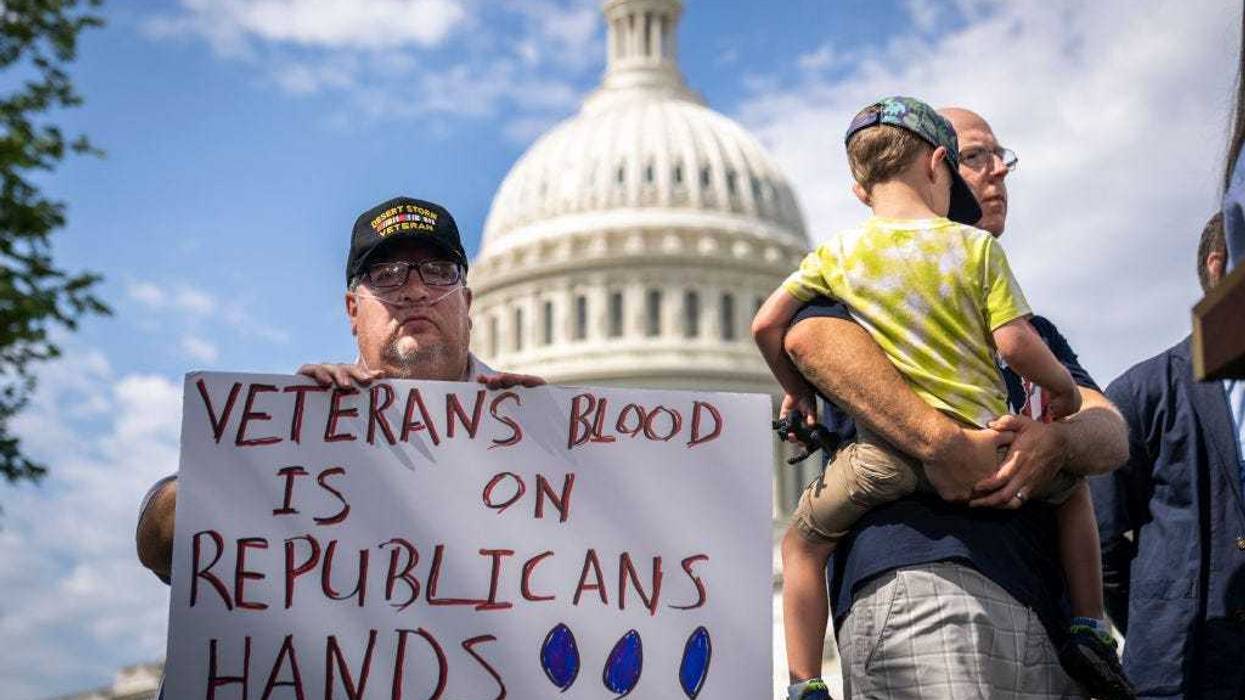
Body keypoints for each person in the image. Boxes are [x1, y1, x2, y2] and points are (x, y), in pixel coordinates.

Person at [752, 96, 1109, 700]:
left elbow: (770, 328)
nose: (996, 173)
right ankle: (1091, 623)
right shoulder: (976, 254)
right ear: (939, 164)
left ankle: (803, 682)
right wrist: (1052, 396)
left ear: (861, 188)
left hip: (885, 468)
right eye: (977, 157)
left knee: (800, 546)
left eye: (1002, 158)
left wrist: (797, 398)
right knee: (1074, 495)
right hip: (959, 517)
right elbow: (811, 337)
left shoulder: (839, 257)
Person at [136, 196, 544, 583]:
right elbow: (160, 545)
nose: (415, 290)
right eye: (386, 276)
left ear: (467, 304)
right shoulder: (301, 429)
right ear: (353, 310)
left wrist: (559, 448)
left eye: (438, 272)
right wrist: (286, 452)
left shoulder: (550, 436)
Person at [1091, 214, 1245, 698]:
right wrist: (1162, 616)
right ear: (1219, 268)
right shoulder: (1142, 394)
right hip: (1178, 673)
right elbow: (1103, 547)